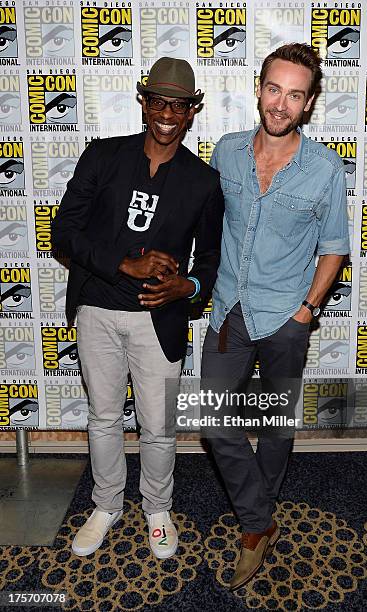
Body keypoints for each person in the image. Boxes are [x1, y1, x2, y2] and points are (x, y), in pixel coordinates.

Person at [52, 57, 224, 559]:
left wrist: (187, 286)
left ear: (192, 112)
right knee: (103, 417)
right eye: (158, 101)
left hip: (160, 323)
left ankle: (156, 508)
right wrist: (123, 265)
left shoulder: (203, 181)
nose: (166, 114)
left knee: (158, 425)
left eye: (179, 105)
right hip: (99, 312)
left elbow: (211, 259)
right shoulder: (102, 157)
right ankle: (105, 504)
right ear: (142, 102)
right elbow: (64, 232)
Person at [201, 43, 349, 590]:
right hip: (228, 311)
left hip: (287, 314)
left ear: (308, 104)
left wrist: (306, 310)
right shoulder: (227, 151)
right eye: (273, 88)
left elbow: (334, 247)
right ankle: (261, 520)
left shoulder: (325, 168)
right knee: (213, 420)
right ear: (258, 88)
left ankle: (252, 531)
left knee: (276, 425)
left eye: (294, 94)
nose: (280, 104)